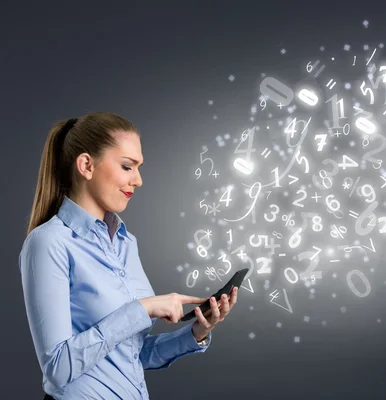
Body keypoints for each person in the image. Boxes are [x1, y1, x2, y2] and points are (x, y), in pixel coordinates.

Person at [19, 112, 238, 399]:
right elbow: (57, 368)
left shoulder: (124, 243)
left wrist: (196, 332)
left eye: (139, 167)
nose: (138, 180)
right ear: (86, 165)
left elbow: (128, 354)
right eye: (127, 166)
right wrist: (143, 308)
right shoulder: (49, 243)